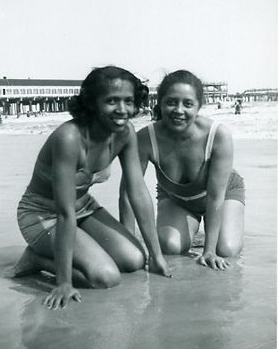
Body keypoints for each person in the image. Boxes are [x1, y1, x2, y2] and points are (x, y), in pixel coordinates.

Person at [9, 66, 172, 310]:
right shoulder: (69, 138)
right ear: (92, 103)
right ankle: (37, 259)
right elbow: (64, 213)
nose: (122, 110)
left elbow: (137, 192)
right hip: (43, 215)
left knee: (135, 259)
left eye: (129, 101)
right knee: (105, 277)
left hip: (84, 208)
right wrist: (63, 282)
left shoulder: (125, 132)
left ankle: (66, 255)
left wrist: (156, 256)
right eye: (111, 101)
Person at [120, 70, 245, 271]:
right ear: (159, 103)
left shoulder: (218, 135)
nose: (179, 110)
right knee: (170, 246)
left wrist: (209, 250)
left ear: (198, 107)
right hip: (177, 199)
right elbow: (128, 193)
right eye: (171, 102)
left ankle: (212, 234)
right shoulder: (145, 139)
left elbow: (216, 196)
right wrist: (126, 246)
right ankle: (190, 227)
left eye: (188, 104)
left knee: (227, 249)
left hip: (223, 195)